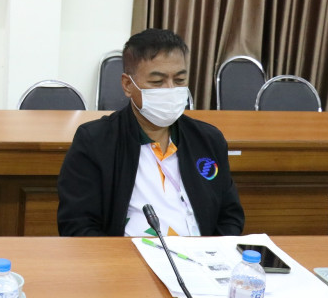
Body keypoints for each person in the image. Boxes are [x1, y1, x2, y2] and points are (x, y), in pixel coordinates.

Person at [57, 29, 244, 237]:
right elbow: (77, 225)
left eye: (179, 80)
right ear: (128, 85)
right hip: (127, 255)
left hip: (202, 255)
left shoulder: (208, 140)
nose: (170, 89)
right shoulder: (95, 142)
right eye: (157, 82)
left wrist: (214, 251)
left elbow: (230, 215)